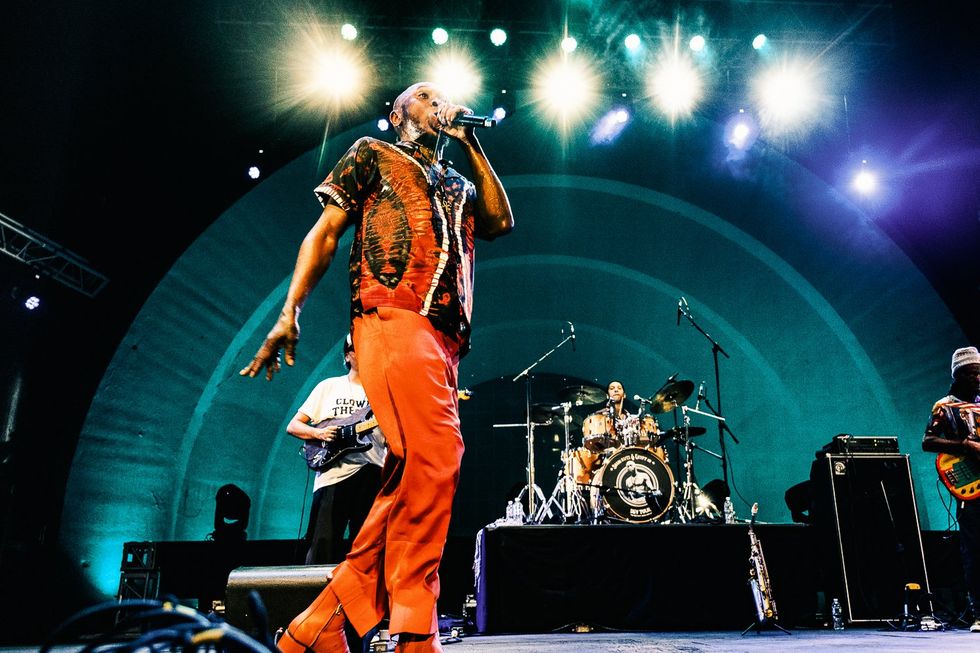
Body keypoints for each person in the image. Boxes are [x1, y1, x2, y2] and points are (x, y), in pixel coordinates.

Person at [240, 81, 514, 653]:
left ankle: (320, 626)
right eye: (425, 96)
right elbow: (326, 233)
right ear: (397, 113)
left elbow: (498, 223)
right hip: (391, 315)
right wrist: (289, 310)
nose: (439, 103)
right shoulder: (372, 152)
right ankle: (415, 625)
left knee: (409, 476)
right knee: (439, 459)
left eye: (445, 97)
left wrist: (472, 144)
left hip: (446, 340)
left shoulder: (459, 182)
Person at [287, 335, 384, 566]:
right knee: (323, 548)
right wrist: (318, 433)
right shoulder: (329, 386)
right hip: (333, 477)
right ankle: (319, 599)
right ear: (348, 355)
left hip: (372, 472)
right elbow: (293, 425)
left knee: (370, 550)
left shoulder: (384, 391)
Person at [922, 346, 980, 632]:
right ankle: (979, 612)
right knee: (975, 549)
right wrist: (963, 447)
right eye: (971, 373)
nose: (977, 378)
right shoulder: (944, 406)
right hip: (970, 485)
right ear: (957, 376)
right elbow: (928, 441)